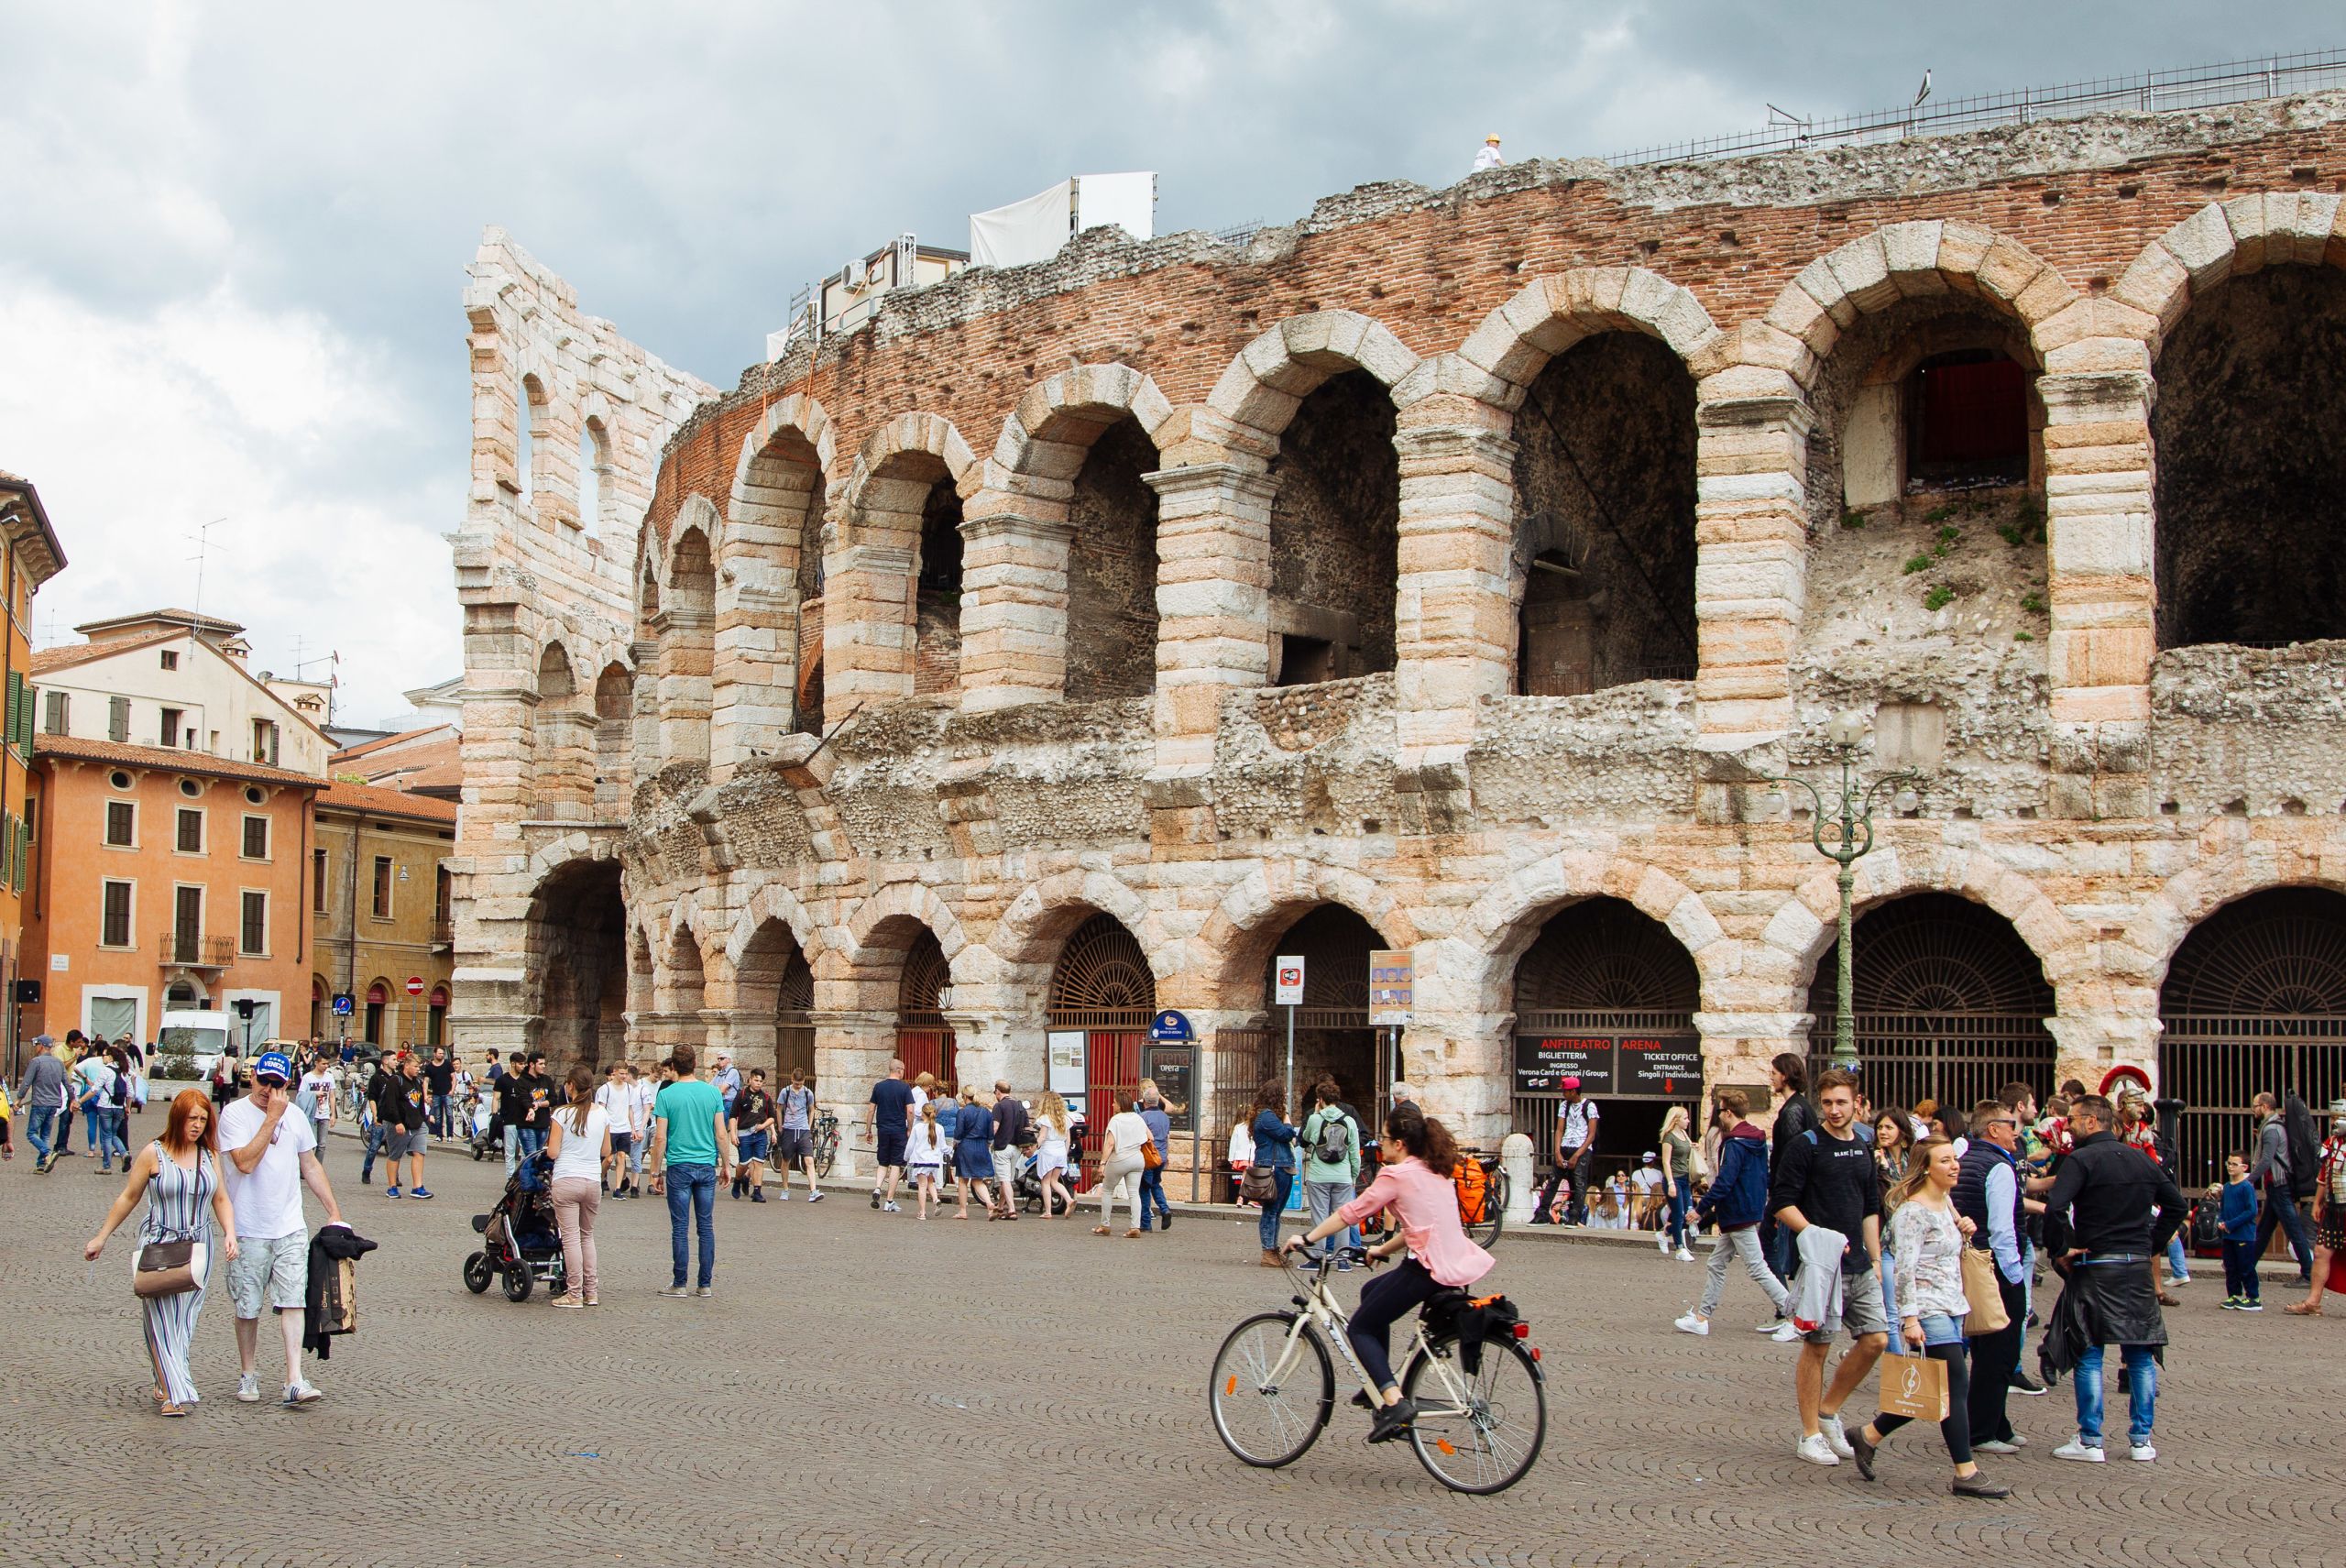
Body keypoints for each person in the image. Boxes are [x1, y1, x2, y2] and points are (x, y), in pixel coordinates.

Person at [1285, 1104, 1496, 1443]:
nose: (1379, 1144)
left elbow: (1352, 1212)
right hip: (1455, 1264)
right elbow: (1419, 1226)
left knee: (1361, 1327)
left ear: (1399, 1143)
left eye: (1383, 1138)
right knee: (1371, 1292)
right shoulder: (1433, 1169)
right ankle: (1379, 1382)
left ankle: (1394, 1402)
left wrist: (1307, 1238)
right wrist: (1382, 1249)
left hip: (1429, 1268)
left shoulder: (1395, 1175)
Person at [1842, 1137, 2009, 1497]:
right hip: (1927, 1309)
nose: (1954, 1166)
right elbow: (1903, 1270)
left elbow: (1947, 1255)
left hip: (1953, 1306)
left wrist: (1964, 1230)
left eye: (1954, 1159)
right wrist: (1909, 1319)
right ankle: (1966, 1472)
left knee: (1937, 1390)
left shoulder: (1946, 1204)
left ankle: (1867, 1435)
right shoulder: (1911, 1213)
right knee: (1956, 1385)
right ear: (1926, 1168)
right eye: (1945, 1160)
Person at [2041, 1093, 2187, 1464]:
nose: (2068, 1126)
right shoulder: (2141, 1159)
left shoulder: (2081, 1159)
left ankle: (2091, 1439)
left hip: (2096, 1263)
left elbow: (2056, 1207)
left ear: (2092, 1121)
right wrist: (2150, 1244)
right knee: (2139, 1353)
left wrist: (2062, 1248)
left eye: (2073, 1119)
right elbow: (2177, 1206)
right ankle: (2141, 1440)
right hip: (2135, 1265)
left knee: (2090, 1352)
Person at [82, 1089, 240, 1416]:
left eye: (202, 1119)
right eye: (191, 1119)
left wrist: (230, 1233)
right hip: (158, 1245)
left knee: (184, 1321)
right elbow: (129, 1197)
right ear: (177, 1118)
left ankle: (163, 1376)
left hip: (198, 1247)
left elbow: (221, 1198)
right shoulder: (152, 1154)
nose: (196, 1125)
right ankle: (174, 1393)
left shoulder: (209, 1155)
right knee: (160, 1320)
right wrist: (101, 1237)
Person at [1770, 1067, 1888, 1467]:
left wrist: (1874, 1257)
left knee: (1876, 1340)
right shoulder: (1806, 1145)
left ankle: (1828, 1411)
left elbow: (1870, 1205)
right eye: (1828, 1103)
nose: (1834, 1110)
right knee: (1817, 1346)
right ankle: (1810, 1434)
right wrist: (1817, 1236)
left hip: (1860, 1264)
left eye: (1841, 1102)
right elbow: (1782, 1202)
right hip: (1823, 1265)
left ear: (1857, 1102)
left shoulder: (1864, 1145)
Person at [218, 1049, 344, 1407]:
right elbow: (243, 1162)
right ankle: (248, 1373)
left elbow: (311, 1165)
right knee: (248, 1306)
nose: (268, 1089)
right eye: (263, 1081)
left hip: (289, 1225)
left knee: (293, 1302)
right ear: (252, 1077)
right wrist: (271, 1119)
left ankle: (294, 1378)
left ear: (286, 1084)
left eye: (276, 1084)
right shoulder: (234, 1114)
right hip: (247, 1227)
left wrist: (333, 1211)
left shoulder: (297, 1116)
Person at [1953, 1099, 2032, 1456]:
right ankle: (1982, 1430)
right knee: (2000, 1350)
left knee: (1987, 1346)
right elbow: (2002, 1228)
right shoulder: (1999, 1167)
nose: (2017, 1132)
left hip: (1972, 1261)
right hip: (1993, 1266)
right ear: (1994, 1129)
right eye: (2011, 1124)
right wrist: (2014, 1276)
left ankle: (1997, 1423)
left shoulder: (1966, 1158)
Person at [1678, 1091, 1792, 1336]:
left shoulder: (1734, 1143)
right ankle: (1702, 1318)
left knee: (1757, 1268)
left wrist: (1700, 1209)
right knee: (1717, 1263)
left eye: (1720, 1110)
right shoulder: (1757, 1139)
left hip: (1738, 1213)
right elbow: (1763, 1176)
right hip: (1746, 1210)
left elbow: (1725, 1181)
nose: (1718, 1115)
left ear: (1728, 1112)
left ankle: (1795, 1313)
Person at [648, 1044, 733, 1298]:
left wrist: (654, 1172)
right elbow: (721, 1133)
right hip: (706, 1165)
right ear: (695, 1064)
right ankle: (705, 1284)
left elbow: (660, 1138)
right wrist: (727, 1165)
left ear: (673, 1067)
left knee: (680, 1227)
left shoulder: (666, 1095)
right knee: (705, 1227)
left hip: (679, 1166)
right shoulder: (712, 1093)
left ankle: (680, 1283)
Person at [544, 1065, 610, 1308]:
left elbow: (553, 1152)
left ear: (570, 1085)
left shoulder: (561, 1114)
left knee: (570, 1238)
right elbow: (606, 1151)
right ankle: (591, 1292)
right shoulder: (602, 1113)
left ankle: (574, 1293)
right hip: (592, 1180)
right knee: (587, 1236)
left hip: (567, 1178)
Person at [2284, 1100, 2346, 1315]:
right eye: (2333, 1117)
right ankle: (2313, 1301)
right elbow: (2324, 1176)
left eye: (2338, 1117)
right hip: (2334, 1207)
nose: (2335, 1122)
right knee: (2320, 1252)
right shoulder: (2331, 1143)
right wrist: (2318, 1202)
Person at [1762, 1053, 1814, 1294]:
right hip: (1794, 1190)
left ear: (1785, 1074)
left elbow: (1791, 1156)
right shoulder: (1800, 1106)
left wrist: (1780, 1193)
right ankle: (1787, 1303)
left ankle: (1785, 1303)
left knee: (1771, 1242)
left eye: (1774, 1073)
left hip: (1790, 1191)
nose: (1771, 1078)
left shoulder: (1793, 1110)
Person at [2250, 1091, 2315, 1285]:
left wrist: (2248, 1180)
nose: (2253, 1110)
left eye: (2255, 1106)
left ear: (2265, 1106)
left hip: (2279, 1186)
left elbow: (2266, 1159)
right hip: (2277, 1187)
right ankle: (2246, 1265)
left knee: (2294, 1231)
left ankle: (2309, 1273)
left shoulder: (2270, 1129)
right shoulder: (2274, 1126)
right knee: (2264, 1230)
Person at [1298, 1079, 1360, 1266]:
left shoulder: (1315, 1119)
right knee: (1342, 1217)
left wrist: (1316, 1114)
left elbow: (1306, 1138)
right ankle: (1342, 1260)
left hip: (1319, 1175)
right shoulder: (1349, 1121)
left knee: (1319, 1216)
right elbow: (1354, 1152)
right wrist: (1354, 1176)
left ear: (1320, 1099)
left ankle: (1317, 1258)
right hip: (1343, 1176)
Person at [1533, 1076, 1597, 1224]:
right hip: (1565, 1146)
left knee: (1579, 1182)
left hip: (1581, 1147)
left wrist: (1577, 1155)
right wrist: (1557, 1152)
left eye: (1566, 1091)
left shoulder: (1589, 1106)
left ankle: (1574, 1216)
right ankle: (1542, 1213)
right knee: (1553, 1181)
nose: (1564, 1094)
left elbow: (1591, 1135)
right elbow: (1560, 1129)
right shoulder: (1564, 1105)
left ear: (1573, 1091)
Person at [1250, 1080, 1298, 1266]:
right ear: (1276, 1096)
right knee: (1271, 1211)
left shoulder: (1265, 1116)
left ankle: (1272, 1249)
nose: (1286, 1096)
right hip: (1274, 1166)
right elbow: (1287, 1134)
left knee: (1275, 1211)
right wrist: (1286, 1118)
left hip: (1279, 1165)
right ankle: (1268, 1251)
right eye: (1283, 1093)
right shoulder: (1267, 1116)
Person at [1093, 1094, 1150, 1238]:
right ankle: (1135, 1227)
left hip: (1120, 1158)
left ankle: (1104, 1225)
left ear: (1120, 1105)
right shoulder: (1138, 1118)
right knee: (1133, 1192)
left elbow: (1110, 1143)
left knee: (1107, 1190)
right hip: (1137, 1158)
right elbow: (1150, 1137)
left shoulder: (1116, 1120)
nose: (1112, 1105)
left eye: (1114, 1103)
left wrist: (1102, 1163)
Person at [863, 1058, 915, 1213]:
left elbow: (871, 1109)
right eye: (904, 1070)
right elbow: (910, 1111)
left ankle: (878, 1188)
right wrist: (910, 1129)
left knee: (883, 1162)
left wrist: (868, 1130)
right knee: (896, 1165)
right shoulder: (905, 1088)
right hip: (898, 1129)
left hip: (882, 1129)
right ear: (899, 1070)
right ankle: (889, 1200)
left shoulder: (879, 1087)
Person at [379, 1054, 433, 1200]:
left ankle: (417, 1187)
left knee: (419, 1153)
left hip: (417, 1123)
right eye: (415, 1067)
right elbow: (391, 1104)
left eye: (419, 1067)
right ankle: (392, 1187)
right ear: (407, 1066)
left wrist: (425, 1119)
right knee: (395, 1155)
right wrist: (397, 1122)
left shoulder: (417, 1082)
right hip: (398, 1123)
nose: (418, 1070)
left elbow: (421, 1102)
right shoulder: (395, 1081)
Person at [2218, 1152, 2263, 1310]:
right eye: (2228, 1163)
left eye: (2234, 1164)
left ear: (2244, 1167)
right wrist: (2220, 1221)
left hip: (2243, 1234)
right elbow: (2222, 1208)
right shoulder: (2228, 1187)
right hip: (2229, 1234)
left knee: (2245, 1266)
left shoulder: (2246, 1187)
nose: (2230, 1167)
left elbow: (2251, 1211)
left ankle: (2253, 1297)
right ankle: (2234, 1295)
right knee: (2230, 1266)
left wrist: (2230, 1224)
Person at [18, 1035, 67, 1171]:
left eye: (36, 1045)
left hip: (40, 1103)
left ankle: (48, 1153)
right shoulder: (59, 1062)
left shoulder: (36, 1062)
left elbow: (26, 1082)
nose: (35, 1048)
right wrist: (73, 1099)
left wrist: (19, 1099)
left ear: (41, 1046)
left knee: (31, 1133)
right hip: (54, 1104)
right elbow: (66, 1083)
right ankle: (41, 1164)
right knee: (45, 1134)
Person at [777, 1067, 824, 1202]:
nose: (798, 1086)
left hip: (803, 1130)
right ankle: (785, 1189)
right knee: (786, 1160)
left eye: (801, 1083)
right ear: (792, 1079)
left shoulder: (808, 1093)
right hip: (789, 1129)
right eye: (797, 1083)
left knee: (809, 1160)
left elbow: (811, 1109)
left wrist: (809, 1126)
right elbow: (779, 1108)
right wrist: (780, 1126)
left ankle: (813, 1191)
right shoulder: (785, 1092)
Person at [595, 1062, 641, 1199]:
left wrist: (633, 1128)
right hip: (610, 1128)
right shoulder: (605, 1089)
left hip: (624, 1127)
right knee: (608, 1159)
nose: (624, 1076)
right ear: (614, 1072)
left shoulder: (629, 1089)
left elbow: (630, 1109)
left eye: (626, 1073)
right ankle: (601, 1179)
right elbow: (601, 1109)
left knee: (621, 1156)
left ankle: (617, 1189)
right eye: (621, 1073)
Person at [729, 1069, 776, 1202]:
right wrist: (733, 1134)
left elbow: (772, 1117)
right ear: (750, 1080)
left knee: (758, 1163)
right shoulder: (742, 1095)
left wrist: (763, 1126)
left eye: (761, 1081)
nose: (758, 1083)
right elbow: (733, 1116)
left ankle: (757, 1191)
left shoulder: (766, 1097)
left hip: (760, 1134)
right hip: (744, 1134)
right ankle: (738, 1180)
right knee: (744, 1164)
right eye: (756, 1080)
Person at [1658, 1106, 1696, 1261]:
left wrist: (1693, 1146)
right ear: (1676, 1120)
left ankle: (1664, 1234)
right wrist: (1671, 1183)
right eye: (1685, 1118)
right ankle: (1679, 1248)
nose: (1688, 1121)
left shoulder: (1684, 1134)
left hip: (1685, 1179)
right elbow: (1666, 1162)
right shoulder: (1669, 1137)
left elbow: (1685, 1150)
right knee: (1678, 1214)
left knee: (1688, 1213)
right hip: (1674, 1179)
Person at [952, 1083, 995, 1219]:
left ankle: (963, 1211)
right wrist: (988, 1144)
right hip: (982, 1146)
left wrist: (955, 1143)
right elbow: (991, 1133)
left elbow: (958, 1133)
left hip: (966, 1146)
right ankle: (989, 1203)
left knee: (963, 1179)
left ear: (964, 1096)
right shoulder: (986, 1112)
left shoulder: (963, 1112)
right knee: (978, 1180)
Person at [1135, 1083, 1174, 1234]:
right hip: (1162, 1156)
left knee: (1144, 1188)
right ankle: (1164, 1209)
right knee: (1156, 1184)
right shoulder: (1165, 1117)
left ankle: (1145, 1223)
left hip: (1149, 1157)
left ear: (1144, 1102)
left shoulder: (1142, 1117)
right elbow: (1166, 1137)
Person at [989, 1080, 1027, 1220]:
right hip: (1016, 1147)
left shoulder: (999, 1106)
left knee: (1004, 1180)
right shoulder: (1020, 1106)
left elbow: (995, 1127)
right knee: (1007, 1180)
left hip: (1002, 1147)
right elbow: (1026, 1127)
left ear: (998, 1091)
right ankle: (1000, 1207)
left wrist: (989, 1141)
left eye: (995, 1092)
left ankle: (1011, 1209)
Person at [1035, 1091, 1075, 1219]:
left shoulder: (1045, 1118)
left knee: (1045, 1182)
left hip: (1048, 1151)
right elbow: (1068, 1139)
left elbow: (1042, 1137)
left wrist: (1033, 1147)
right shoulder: (1065, 1119)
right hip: (1060, 1151)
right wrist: (1065, 1152)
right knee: (1055, 1181)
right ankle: (1069, 1199)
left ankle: (1048, 1211)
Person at [906, 1101, 947, 1218]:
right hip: (934, 1161)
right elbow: (943, 1146)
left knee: (922, 1186)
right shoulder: (939, 1128)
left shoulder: (918, 1128)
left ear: (923, 1114)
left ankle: (922, 1212)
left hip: (920, 1160)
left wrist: (906, 1157)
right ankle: (935, 1199)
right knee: (930, 1182)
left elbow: (910, 1146)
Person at [297, 1058, 336, 1147]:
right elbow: (300, 1096)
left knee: (322, 1145)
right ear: (316, 1063)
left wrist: (333, 1115)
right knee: (311, 1144)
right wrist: (314, 1094)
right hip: (312, 1114)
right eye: (323, 1064)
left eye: (327, 1064)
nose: (326, 1066)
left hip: (325, 1114)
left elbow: (332, 1096)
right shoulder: (307, 1077)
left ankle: (319, 1162)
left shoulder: (329, 1076)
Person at [1872, 1109, 1913, 1186]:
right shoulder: (1873, 1159)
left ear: (1902, 1132)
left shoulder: (1913, 1158)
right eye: (1879, 1127)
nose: (1882, 1132)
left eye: (1889, 1127)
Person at [423, 1047, 455, 1139]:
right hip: (436, 1094)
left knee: (449, 1115)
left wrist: (452, 1090)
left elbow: (454, 1078)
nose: (441, 1055)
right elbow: (426, 1081)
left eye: (442, 1054)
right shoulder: (429, 1067)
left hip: (447, 1093)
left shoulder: (448, 1064)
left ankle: (449, 1135)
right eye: (439, 1053)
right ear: (435, 1054)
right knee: (437, 1116)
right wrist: (425, 1095)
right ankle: (439, 1135)